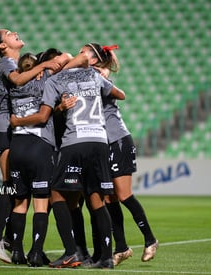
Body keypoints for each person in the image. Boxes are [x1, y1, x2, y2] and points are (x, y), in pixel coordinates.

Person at [10, 53, 126, 269]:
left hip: (75, 141)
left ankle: (72, 252)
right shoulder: (93, 75)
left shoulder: (55, 80)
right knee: (96, 200)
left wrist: (60, 107)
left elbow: (45, 114)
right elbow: (120, 94)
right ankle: (107, 258)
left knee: (55, 193)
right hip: (100, 141)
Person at [0, 29, 62, 263]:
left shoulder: (14, 63)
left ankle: (8, 238)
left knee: (17, 187)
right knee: (9, 184)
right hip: (6, 125)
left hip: (11, 127)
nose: (14, 32)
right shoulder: (6, 64)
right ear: (3, 46)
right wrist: (42, 67)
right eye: (8, 33)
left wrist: (40, 68)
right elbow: (17, 80)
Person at [81, 43, 158, 266]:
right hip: (104, 143)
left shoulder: (99, 76)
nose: (79, 55)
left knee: (123, 195)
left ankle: (150, 240)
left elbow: (119, 93)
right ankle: (122, 247)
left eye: (83, 52)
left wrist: (100, 73)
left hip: (118, 140)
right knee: (109, 197)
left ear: (95, 59)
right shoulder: (90, 75)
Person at [8, 51, 75, 267]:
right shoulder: (46, 80)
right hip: (39, 146)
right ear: (38, 68)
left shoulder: (14, 85)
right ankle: (36, 253)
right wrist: (45, 66)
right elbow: (65, 57)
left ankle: (16, 252)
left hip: (16, 147)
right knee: (40, 205)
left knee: (19, 203)